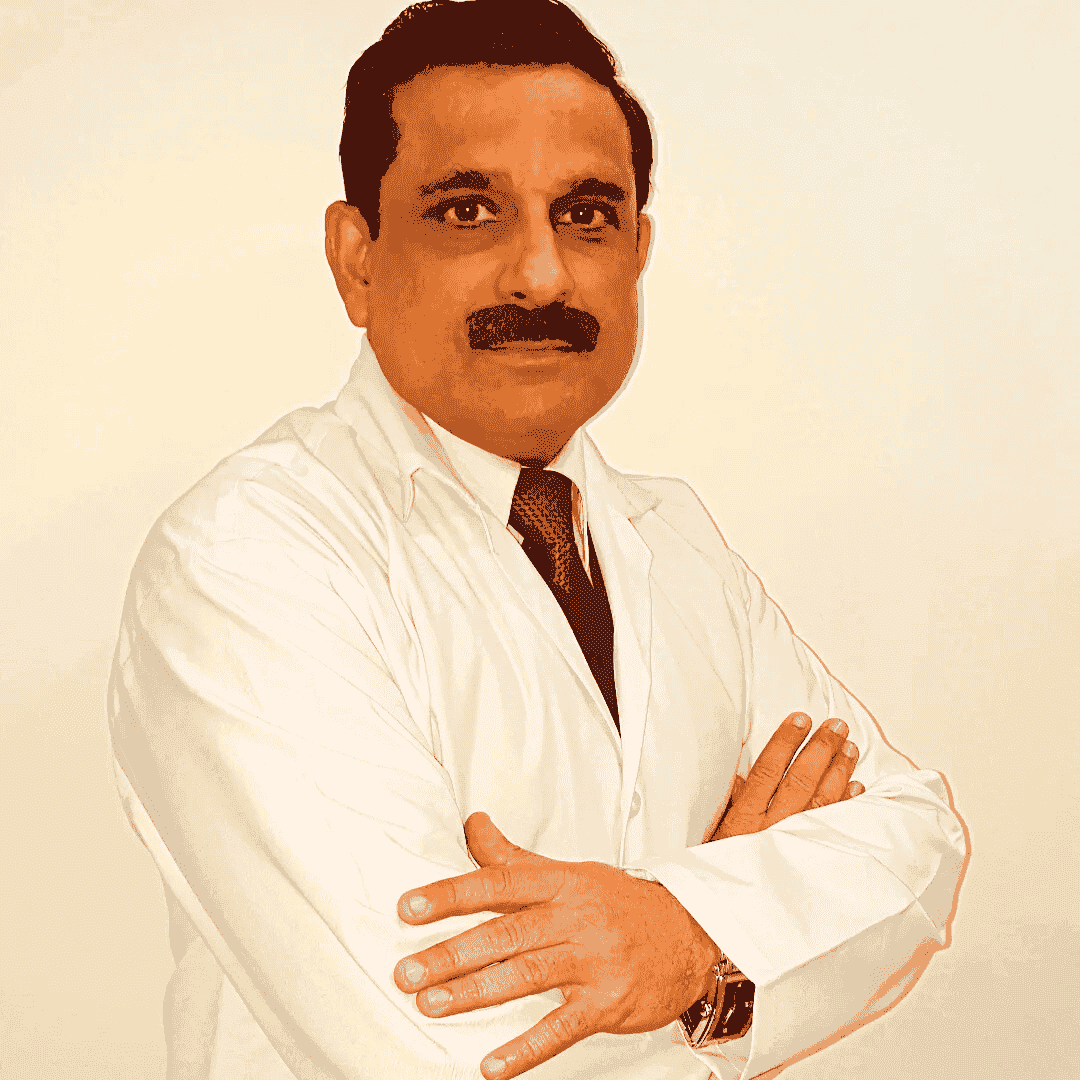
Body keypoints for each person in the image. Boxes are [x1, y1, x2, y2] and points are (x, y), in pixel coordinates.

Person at [107, 2, 966, 1078]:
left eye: (588, 216)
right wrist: (734, 950)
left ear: (638, 252)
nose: (544, 276)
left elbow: (917, 848)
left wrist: (683, 934)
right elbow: (446, 1049)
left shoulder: (678, 542)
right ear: (357, 259)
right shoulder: (247, 560)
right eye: (469, 212)